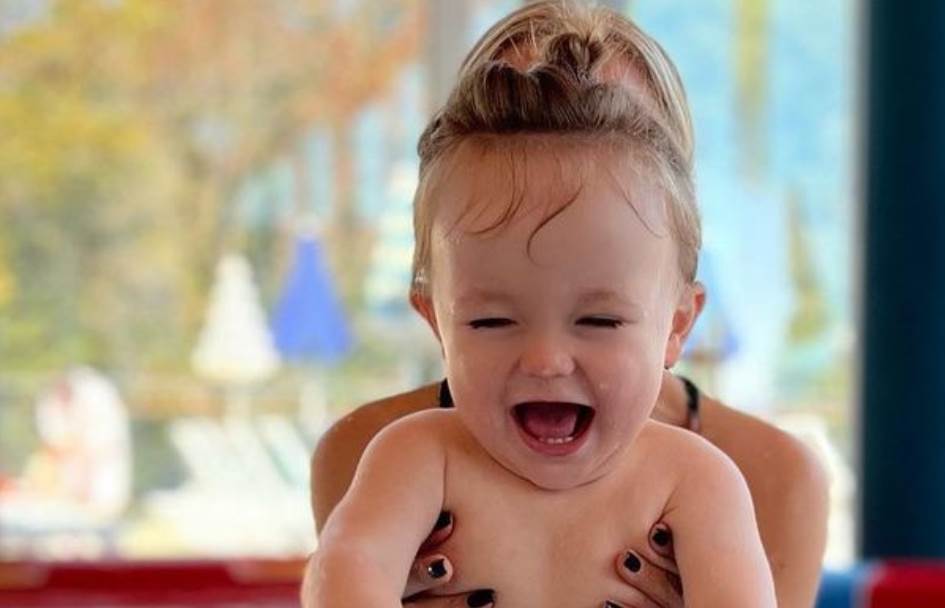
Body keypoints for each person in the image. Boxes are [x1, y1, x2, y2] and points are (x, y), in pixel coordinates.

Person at [307, 2, 829, 607]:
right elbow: (346, 567)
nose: (546, 358)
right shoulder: (410, 454)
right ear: (437, 318)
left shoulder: (700, 479)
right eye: (493, 319)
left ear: (677, 318)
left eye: (598, 318)